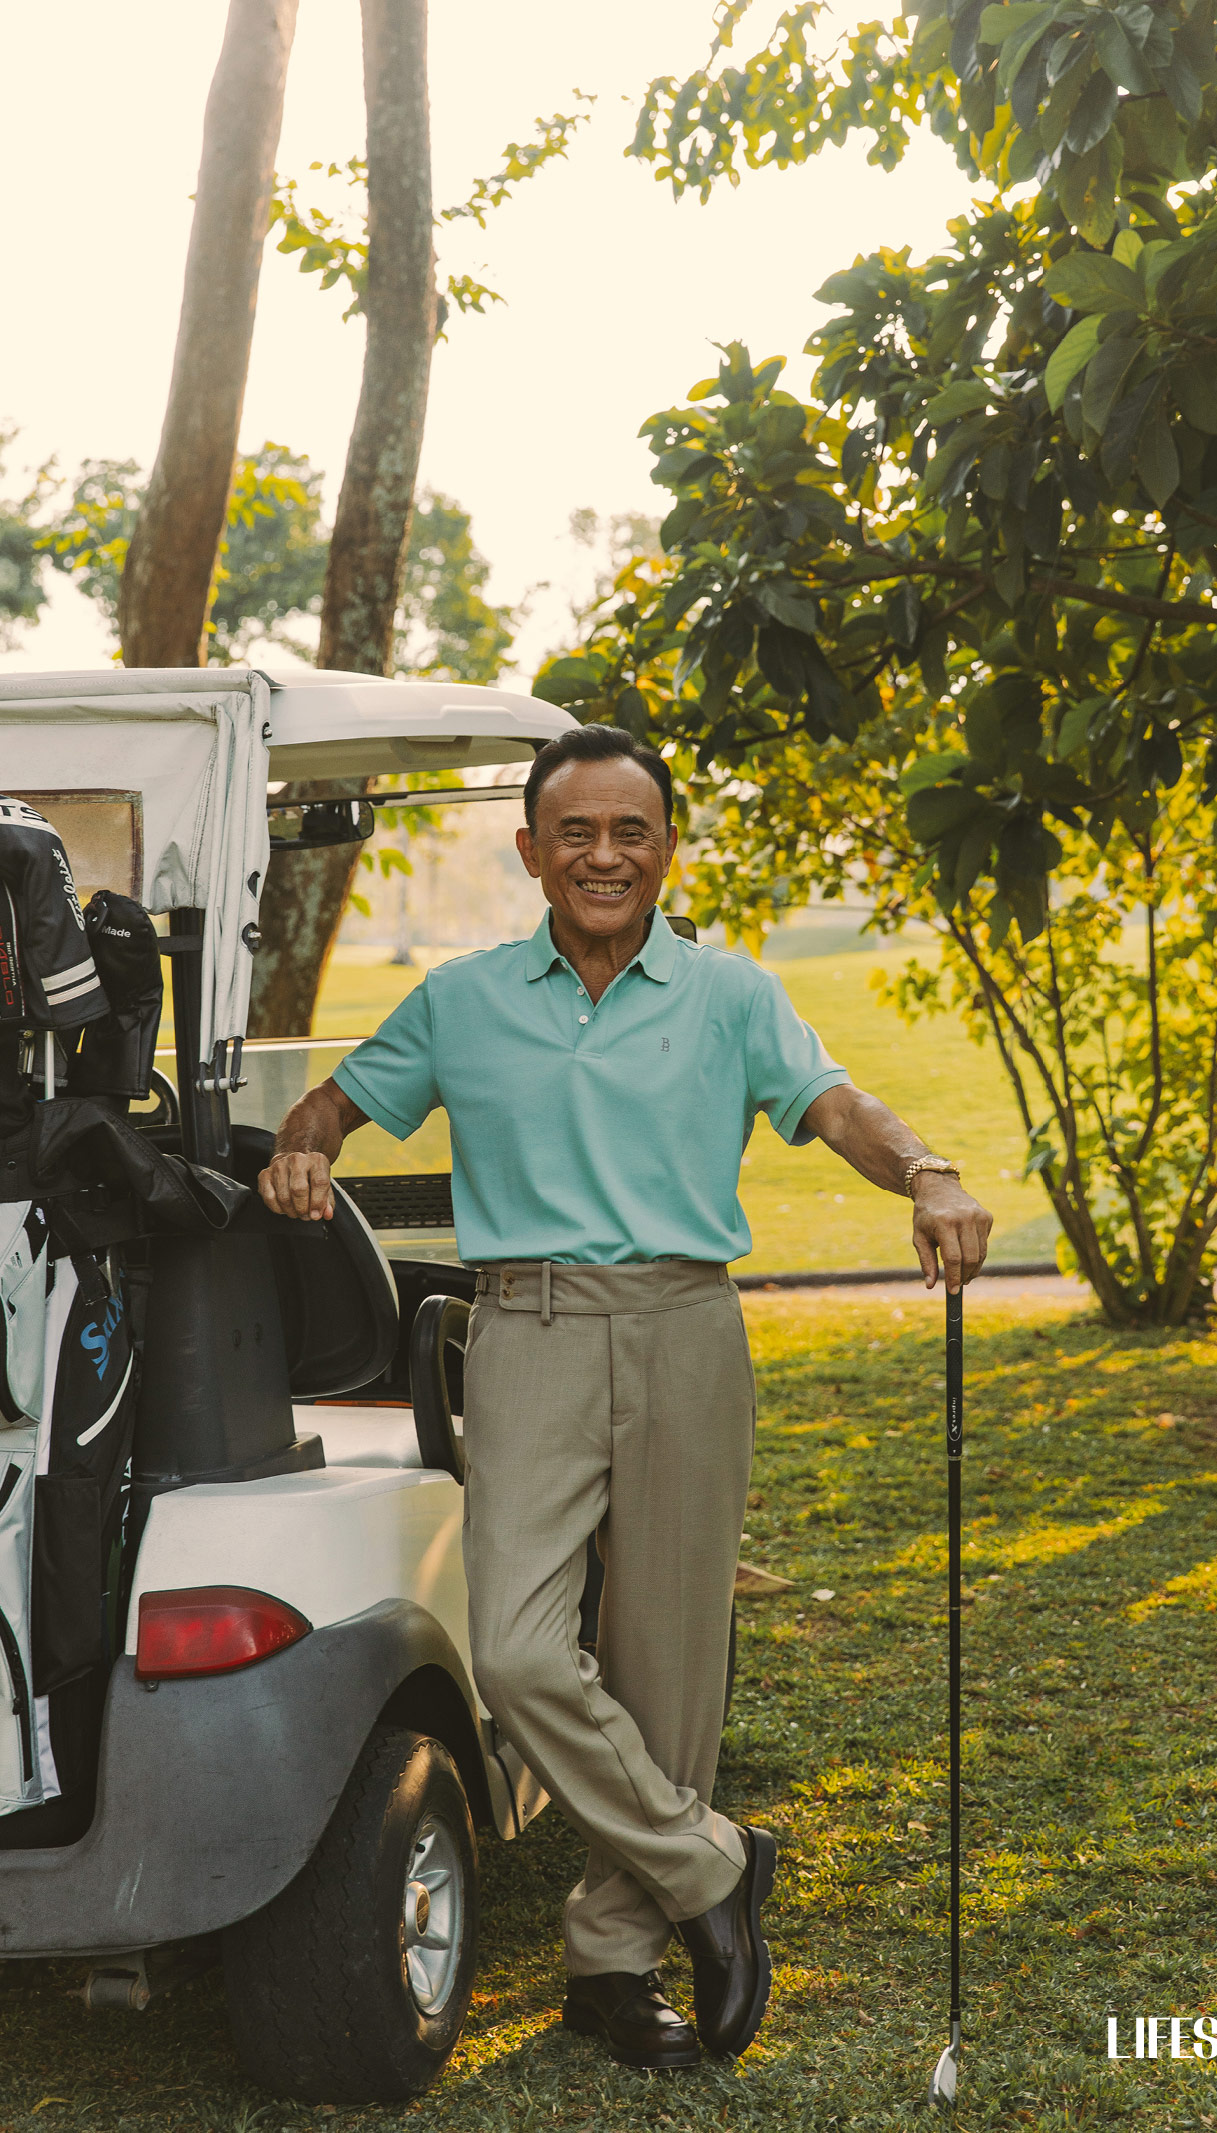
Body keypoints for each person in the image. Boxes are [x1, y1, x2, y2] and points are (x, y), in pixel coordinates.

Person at [257, 724, 993, 2072]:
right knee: (523, 1648)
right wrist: (303, 1153)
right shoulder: (462, 998)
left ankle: (610, 1959)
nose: (605, 854)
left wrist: (931, 1169)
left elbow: (837, 1108)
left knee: (669, 1667)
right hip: (528, 1326)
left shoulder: (728, 993)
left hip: (684, 1324)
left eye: (632, 831)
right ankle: (714, 1870)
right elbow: (331, 1110)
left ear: (667, 850)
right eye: (577, 833)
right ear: (530, 851)